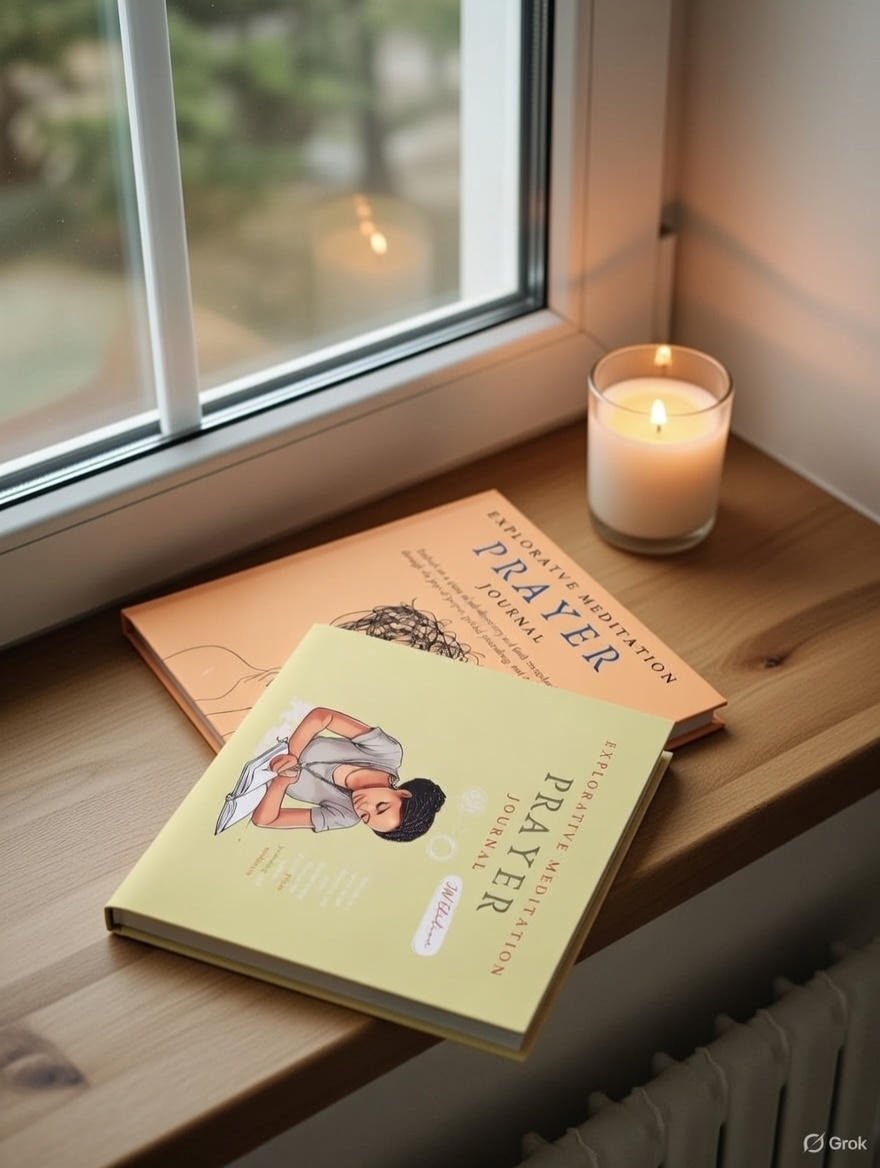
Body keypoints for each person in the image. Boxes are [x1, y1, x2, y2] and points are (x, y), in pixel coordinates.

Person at [215, 706, 444, 842]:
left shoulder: (345, 816)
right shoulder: (387, 753)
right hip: (271, 719)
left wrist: (280, 783)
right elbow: (323, 716)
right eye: (381, 806)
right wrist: (292, 754)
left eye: (366, 818)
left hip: (238, 761)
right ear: (402, 793)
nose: (363, 808)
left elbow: (265, 820)